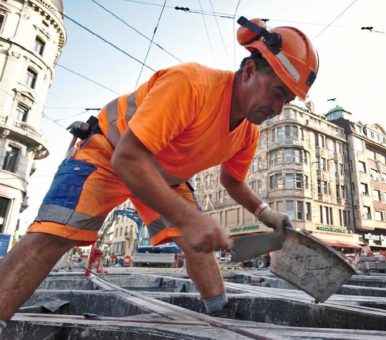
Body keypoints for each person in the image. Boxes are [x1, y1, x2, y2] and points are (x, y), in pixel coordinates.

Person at [0, 16, 319, 332]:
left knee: (199, 245)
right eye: (277, 93)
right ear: (250, 70)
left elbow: (232, 180)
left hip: (164, 176)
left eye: (286, 100)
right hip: (110, 154)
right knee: (55, 234)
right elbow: (128, 158)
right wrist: (191, 218)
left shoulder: (247, 132)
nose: (278, 108)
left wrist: (267, 214)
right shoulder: (192, 84)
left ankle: (223, 321)